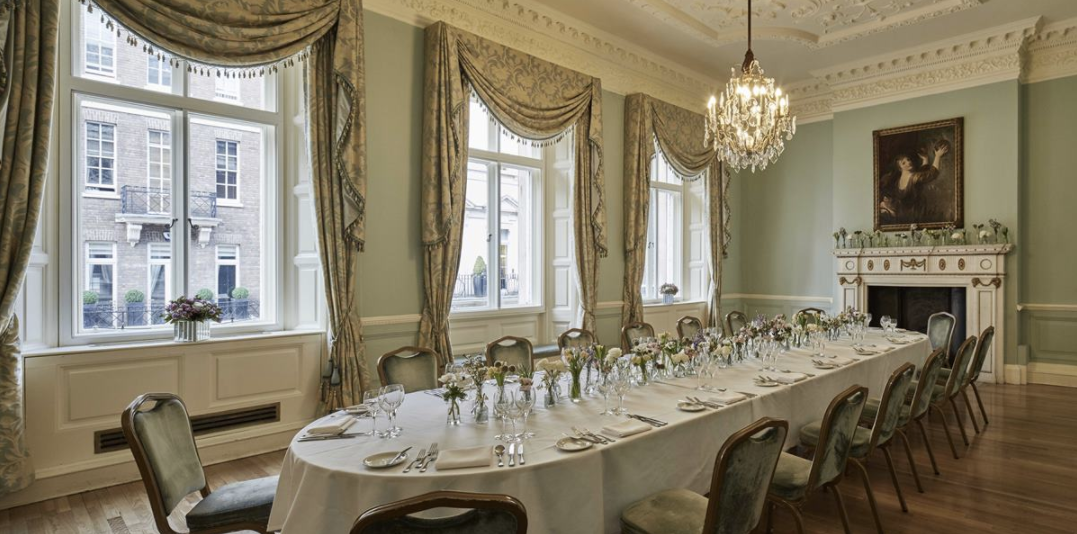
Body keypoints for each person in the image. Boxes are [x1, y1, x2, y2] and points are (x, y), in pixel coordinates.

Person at [878, 140, 950, 225]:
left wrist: (925, 159)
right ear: (900, 168)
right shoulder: (914, 177)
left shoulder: (899, 181)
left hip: (902, 216)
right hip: (915, 214)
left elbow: (922, 175)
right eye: (904, 163)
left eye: (908, 160)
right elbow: (932, 174)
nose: (908, 162)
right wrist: (937, 156)